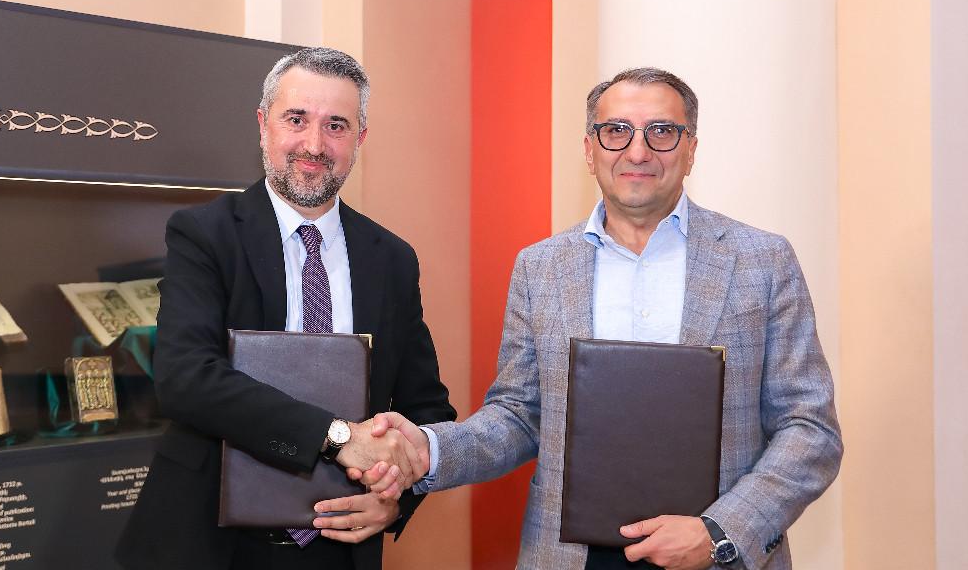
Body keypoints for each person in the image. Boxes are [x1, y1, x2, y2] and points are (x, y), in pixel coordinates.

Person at [360, 68, 842, 570]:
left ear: (691, 149)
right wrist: (429, 448)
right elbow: (520, 416)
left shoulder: (762, 262)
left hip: (716, 556)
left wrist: (719, 530)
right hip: (570, 558)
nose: (638, 152)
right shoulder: (541, 267)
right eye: (616, 131)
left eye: (662, 131)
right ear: (590, 150)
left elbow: (809, 428)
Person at [115, 47, 455, 570]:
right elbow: (186, 379)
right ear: (263, 125)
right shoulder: (204, 234)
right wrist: (336, 437)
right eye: (296, 119)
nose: (314, 145)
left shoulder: (391, 259)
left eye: (336, 126)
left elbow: (426, 410)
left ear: (360, 139)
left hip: (340, 548)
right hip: (209, 544)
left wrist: (394, 501)